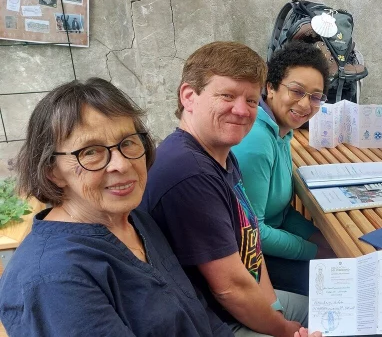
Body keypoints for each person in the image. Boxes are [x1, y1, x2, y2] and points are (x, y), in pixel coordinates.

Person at [0, 78, 230, 336]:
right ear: (52, 171)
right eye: (90, 152)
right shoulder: (54, 279)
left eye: (128, 142)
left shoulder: (135, 220)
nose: (121, 164)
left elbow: (197, 312)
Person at [139, 42, 316, 337]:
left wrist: (274, 309)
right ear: (188, 96)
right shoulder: (189, 173)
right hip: (213, 323)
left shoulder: (221, 154)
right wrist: (285, 330)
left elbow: (252, 247)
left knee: (345, 311)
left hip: (239, 305)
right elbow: (230, 289)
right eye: (227, 96)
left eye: (251, 100)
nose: (242, 110)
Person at [232, 42, 335, 297]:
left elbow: (281, 213)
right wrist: (314, 251)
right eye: (297, 91)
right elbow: (254, 232)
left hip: (271, 239)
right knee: (337, 285)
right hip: (251, 258)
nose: (305, 104)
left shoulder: (281, 132)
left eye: (315, 97)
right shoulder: (257, 141)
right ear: (270, 88)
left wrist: (320, 240)